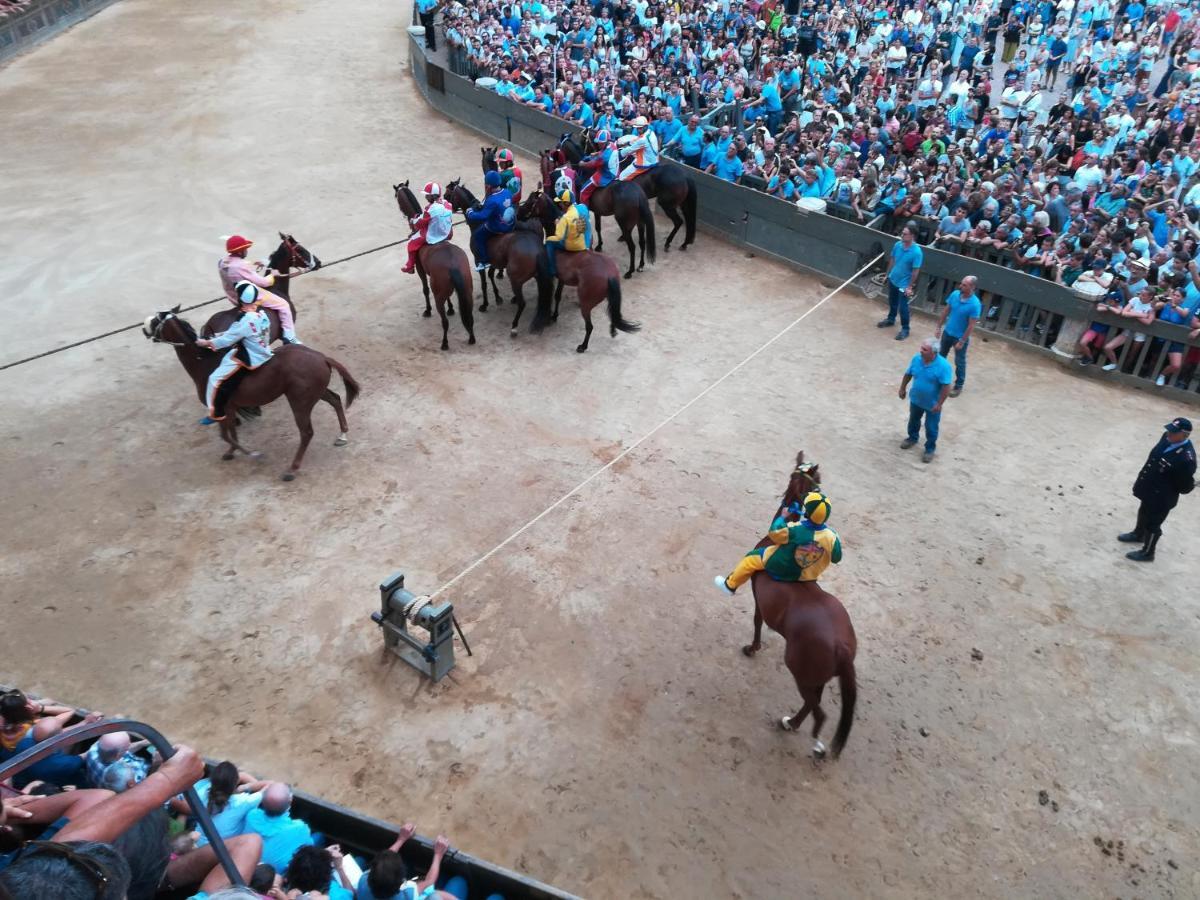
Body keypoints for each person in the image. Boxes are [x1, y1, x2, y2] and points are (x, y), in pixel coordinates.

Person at [713, 491, 842, 596]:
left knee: (750, 559)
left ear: (807, 513)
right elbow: (837, 558)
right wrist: (836, 537)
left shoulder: (795, 528)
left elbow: (774, 533)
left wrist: (782, 517)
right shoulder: (832, 537)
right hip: (809, 575)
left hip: (782, 568)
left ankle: (730, 585)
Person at [195, 281, 274, 425]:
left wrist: (206, 343)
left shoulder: (244, 320)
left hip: (251, 356)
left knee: (214, 378)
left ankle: (216, 414)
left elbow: (227, 340)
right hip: (264, 350)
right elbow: (237, 332)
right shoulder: (261, 314)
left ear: (240, 299)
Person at [1118, 417, 1196, 562]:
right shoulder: (1166, 438)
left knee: (1153, 524)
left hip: (1162, 497)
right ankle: (1138, 534)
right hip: (1149, 487)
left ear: (1184, 435)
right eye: (1169, 430)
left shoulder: (1186, 459)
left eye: (1174, 432)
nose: (1169, 434)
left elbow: (1185, 487)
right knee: (1143, 511)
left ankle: (1148, 553)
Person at [218, 235, 301, 345]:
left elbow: (237, 264)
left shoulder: (222, 262)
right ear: (240, 252)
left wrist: (253, 263)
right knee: (284, 305)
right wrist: (272, 275)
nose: (246, 251)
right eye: (245, 249)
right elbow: (264, 282)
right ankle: (289, 337)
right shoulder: (241, 266)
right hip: (248, 296)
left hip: (232, 295)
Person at [899, 337, 954, 463]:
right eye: (921, 348)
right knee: (913, 420)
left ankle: (930, 449)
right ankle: (912, 438)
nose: (921, 351)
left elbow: (946, 387)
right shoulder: (917, 359)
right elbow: (908, 374)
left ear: (933, 352)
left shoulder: (944, 366)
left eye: (924, 349)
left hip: (932, 404)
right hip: (916, 400)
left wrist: (939, 404)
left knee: (931, 427)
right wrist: (902, 388)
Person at [243, 783, 314, 873]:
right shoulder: (300, 829)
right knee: (319, 836)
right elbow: (309, 847)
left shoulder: (251, 815)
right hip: (272, 878)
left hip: (249, 869)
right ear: (290, 800)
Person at [934, 275, 982, 396]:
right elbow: (946, 310)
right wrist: (939, 327)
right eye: (961, 284)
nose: (961, 286)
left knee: (959, 362)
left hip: (959, 337)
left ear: (972, 287)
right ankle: (938, 379)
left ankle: (959, 385)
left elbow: (971, 325)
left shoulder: (975, 304)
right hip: (947, 332)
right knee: (941, 357)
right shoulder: (955, 294)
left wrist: (962, 341)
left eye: (964, 285)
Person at [878, 223, 923, 341]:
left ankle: (905, 329)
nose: (902, 235)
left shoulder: (917, 252)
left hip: (904, 284)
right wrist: (887, 275)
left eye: (905, 234)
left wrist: (909, 287)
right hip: (893, 279)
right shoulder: (897, 245)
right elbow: (892, 260)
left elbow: (915, 271)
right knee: (892, 301)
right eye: (902, 233)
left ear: (912, 236)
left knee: (903, 307)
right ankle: (891, 319)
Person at [464, 170, 515, 272]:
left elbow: (483, 216)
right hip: (511, 224)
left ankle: (483, 261)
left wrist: (470, 213)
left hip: (497, 227)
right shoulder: (507, 192)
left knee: (477, 235)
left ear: (488, 186)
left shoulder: (491, 200)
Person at [402, 182, 454, 275]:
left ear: (433, 196)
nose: (426, 197)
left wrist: (413, 220)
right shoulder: (448, 204)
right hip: (447, 233)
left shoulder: (430, 208)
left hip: (434, 235)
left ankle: (410, 266)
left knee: (411, 243)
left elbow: (420, 224)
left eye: (427, 195)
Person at [544, 189, 592, 277]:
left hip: (573, 246)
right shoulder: (583, 207)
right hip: (586, 243)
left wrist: (557, 224)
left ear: (565, 203)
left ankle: (552, 270)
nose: (559, 205)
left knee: (549, 241)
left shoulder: (565, 218)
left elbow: (559, 237)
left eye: (560, 203)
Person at [84, 731, 150, 790]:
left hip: (95, 786)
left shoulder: (93, 750)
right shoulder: (129, 776)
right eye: (127, 746)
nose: (130, 745)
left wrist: (141, 744)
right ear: (118, 755)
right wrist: (156, 762)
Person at [576, 129, 620, 206]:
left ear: (606, 142)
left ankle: (584, 213)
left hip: (606, 175)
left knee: (583, 191)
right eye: (598, 143)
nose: (599, 145)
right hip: (616, 172)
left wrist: (582, 164)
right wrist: (597, 153)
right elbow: (604, 151)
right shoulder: (612, 145)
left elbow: (592, 164)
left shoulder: (603, 157)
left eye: (601, 144)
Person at [617, 116, 659, 182]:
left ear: (645, 126)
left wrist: (618, 154)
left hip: (646, 163)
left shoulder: (643, 140)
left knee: (622, 176)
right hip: (654, 158)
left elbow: (629, 150)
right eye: (637, 128)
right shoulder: (650, 132)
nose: (638, 130)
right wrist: (628, 142)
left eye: (640, 128)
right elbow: (637, 139)